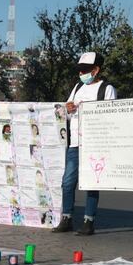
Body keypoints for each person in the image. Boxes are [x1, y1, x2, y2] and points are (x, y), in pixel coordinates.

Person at [52, 52, 116, 236]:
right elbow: (66, 111)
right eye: (80, 70)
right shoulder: (78, 87)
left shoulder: (107, 89)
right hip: (75, 143)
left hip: (95, 143)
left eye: (85, 70)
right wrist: (69, 109)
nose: (81, 73)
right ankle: (67, 218)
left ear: (96, 70)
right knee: (67, 182)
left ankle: (89, 221)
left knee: (91, 182)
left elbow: (111, 116)